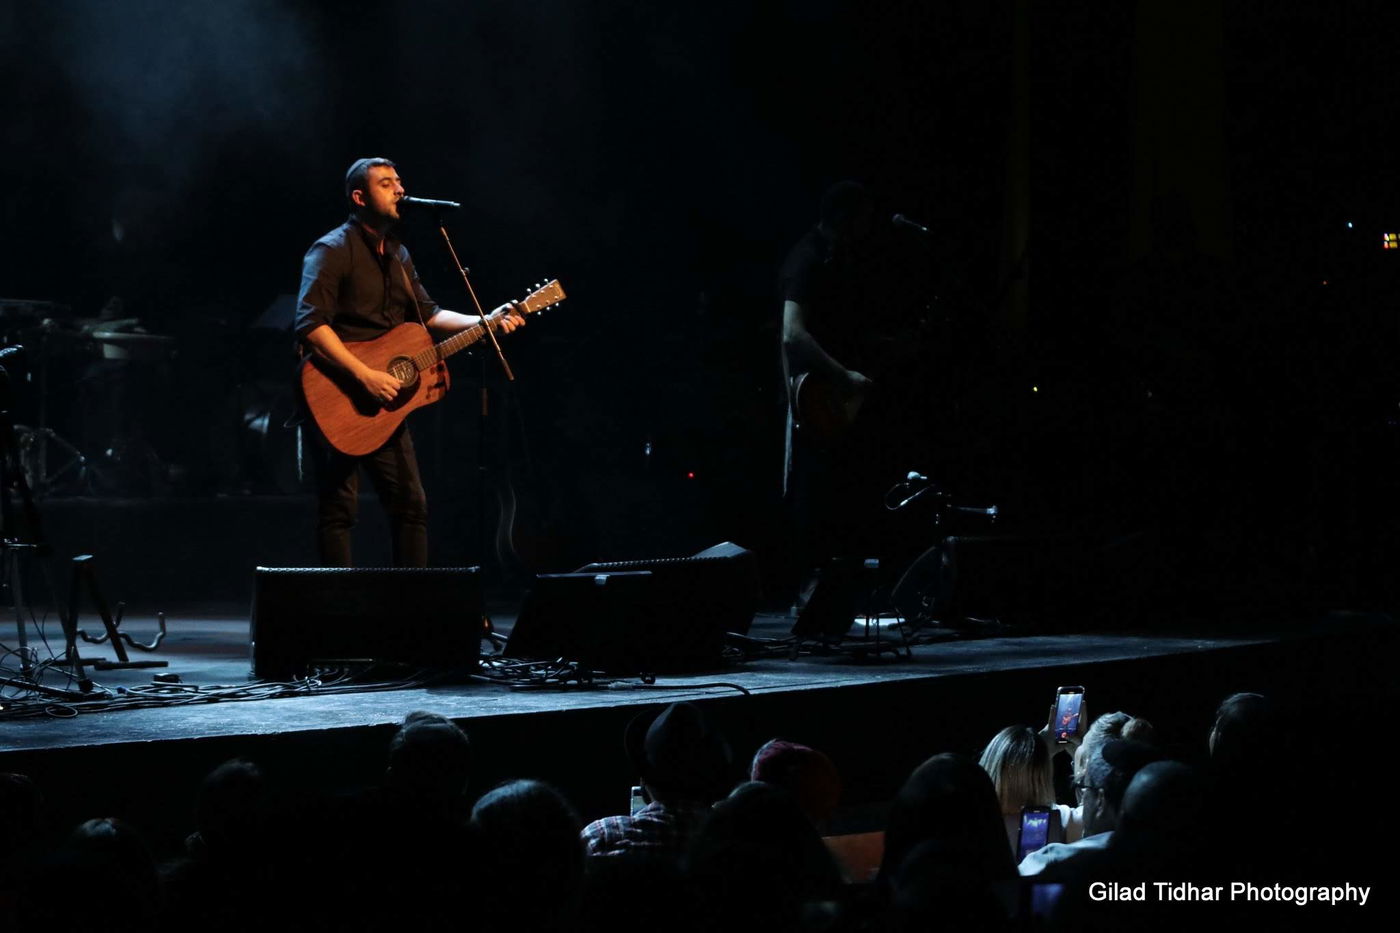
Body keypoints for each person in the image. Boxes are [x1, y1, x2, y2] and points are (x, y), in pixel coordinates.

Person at [294, 157, 524, 566]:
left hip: (384, 408)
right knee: (339, 512)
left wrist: (487, 320)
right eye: (386, 183)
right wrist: (364, 375)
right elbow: (311, 326)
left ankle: (409, 610)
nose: (400, 189)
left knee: (412, 507)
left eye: (399, 181)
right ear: (359, 197)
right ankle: (333, 616)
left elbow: (429, 315)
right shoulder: (331, 250)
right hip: (336, 393)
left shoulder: (398, 254)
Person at [778, 181, 877, 583]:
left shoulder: (836, 260)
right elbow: (792, 333)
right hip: (813, 398)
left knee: (834, 492)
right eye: (863, 219)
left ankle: (827, 588)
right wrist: (843, 375)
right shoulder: (807, 259)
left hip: (829, 398)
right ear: (844, 218)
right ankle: (807, 588)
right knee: (812, 491)